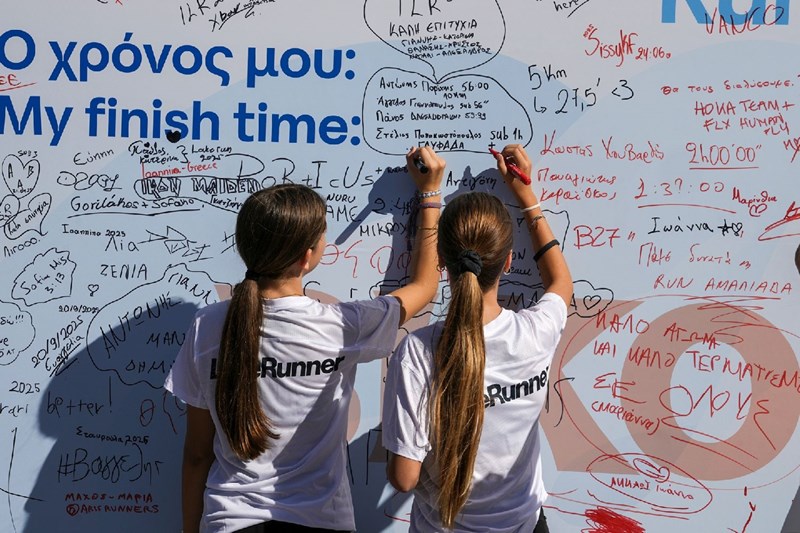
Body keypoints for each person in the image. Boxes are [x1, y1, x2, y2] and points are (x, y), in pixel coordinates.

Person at [164, 146, 445, 533]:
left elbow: (197, 453)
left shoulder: (207, 326)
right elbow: (425, 286)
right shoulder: (342, 325)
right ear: (307, 256)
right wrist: (430, 195)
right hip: (321, 521)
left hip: (229, 522)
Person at [382, 144, 573, 532]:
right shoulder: (535, 332)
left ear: (441, 262)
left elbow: (404, 478)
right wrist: (525, 196)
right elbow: (561, 284)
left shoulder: (418, 353)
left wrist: (429, 196)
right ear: (507, 261)